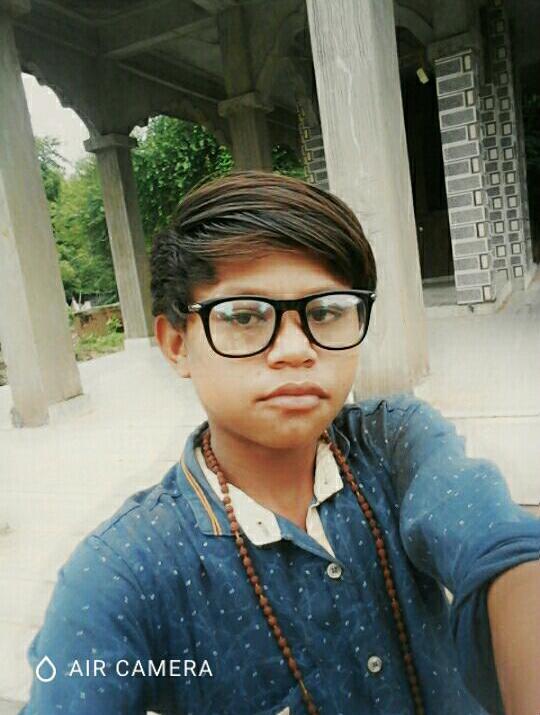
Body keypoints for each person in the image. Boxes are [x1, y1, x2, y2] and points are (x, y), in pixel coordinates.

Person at [22, 171, 539, 715]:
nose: (296, 350)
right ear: (176, 344)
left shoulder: (394, 444)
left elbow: (503, 550)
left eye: (325, 312)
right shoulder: (126, 571)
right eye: (245, 316)